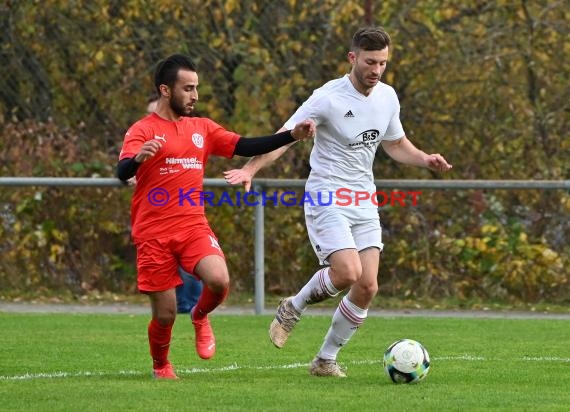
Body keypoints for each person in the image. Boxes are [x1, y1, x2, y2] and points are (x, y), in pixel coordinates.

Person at [224, 27, 452, 377]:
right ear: (353, 58)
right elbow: (285, 139)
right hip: (326, 194)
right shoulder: (327, 97)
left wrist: (425, 159)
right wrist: (250, 168)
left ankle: (324, 360)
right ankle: (293, 306)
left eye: (383, 63)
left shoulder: (387, 97)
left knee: (368, 286)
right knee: (347, 272)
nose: (376, 70)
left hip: (364, 197)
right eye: (370, 62)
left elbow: (394, 143)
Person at [117, 53, 315, 380]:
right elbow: (121, 170)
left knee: (219, 280)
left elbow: (247, 145)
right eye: (188, 88)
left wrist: (291, 135)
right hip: (152, 232)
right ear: (166, 90)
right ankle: (161, 365)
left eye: (196, 88)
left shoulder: (203, 128)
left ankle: (199, 316)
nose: (195, 96)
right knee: (165, 315)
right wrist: (137, 159)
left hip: (192, 225)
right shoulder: (143, 129)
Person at [146, 94, 203, 315]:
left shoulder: (187, 134)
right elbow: (126, 167)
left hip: (183, 212)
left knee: (190, 260)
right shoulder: (143, 136)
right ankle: (176, 305)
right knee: (162, 267)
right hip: (154, 217)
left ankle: (192, 306)